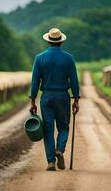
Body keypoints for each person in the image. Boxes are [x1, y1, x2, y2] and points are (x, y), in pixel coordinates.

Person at [29, 28, 80, 171]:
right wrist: (76, 99)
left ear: (48, 41)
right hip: (63, 97)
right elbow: (74, 81)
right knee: (63, 127)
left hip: (46, 97)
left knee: (48, 129)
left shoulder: (39, 58)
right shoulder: (69, 58)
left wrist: (32, 101)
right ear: (61, 41)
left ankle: (51, 162)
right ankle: (60, 149)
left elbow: (35, 82)